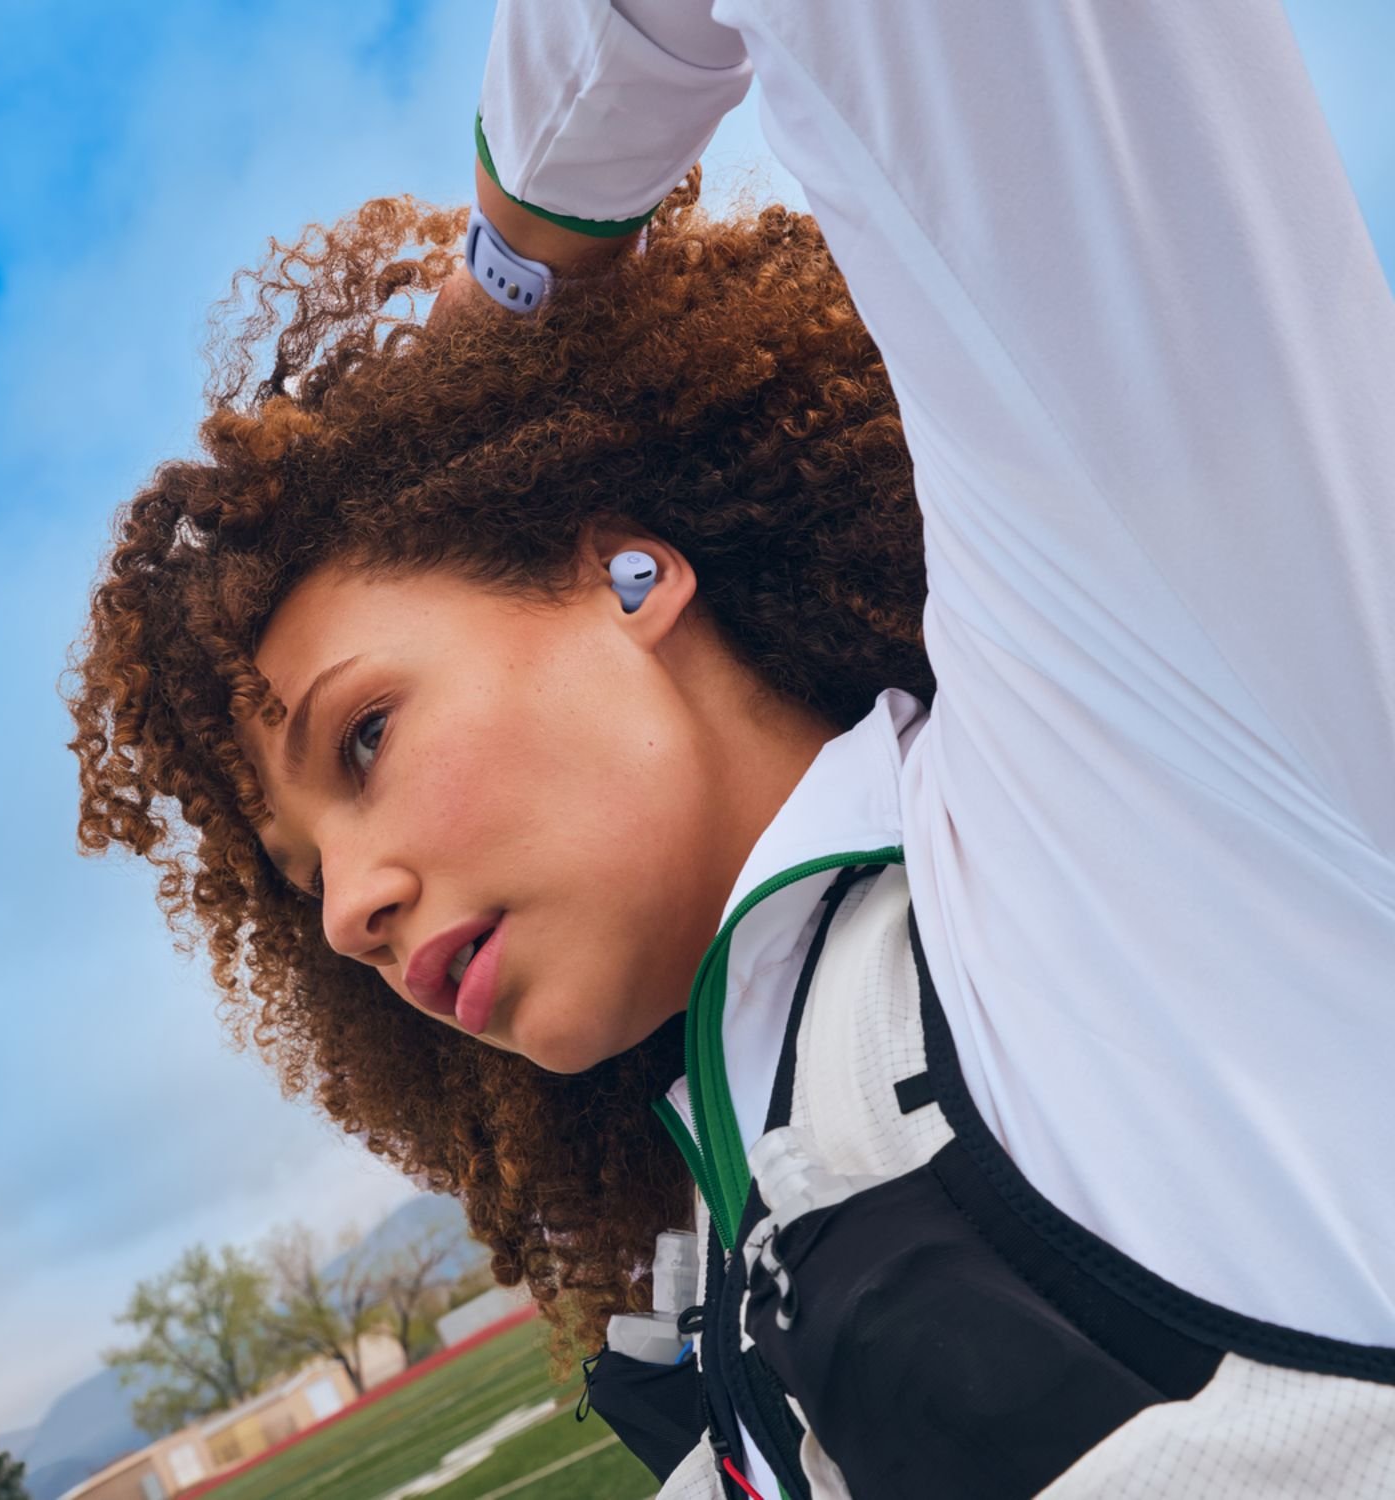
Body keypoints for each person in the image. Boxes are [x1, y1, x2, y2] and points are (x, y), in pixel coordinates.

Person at [69, 2, 1395, 1494]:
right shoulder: (715, 1265)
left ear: (630, 576)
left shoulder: (1150, 778)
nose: (345, 914)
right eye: (306, 874)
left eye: (365, 737)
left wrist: (509, 292)